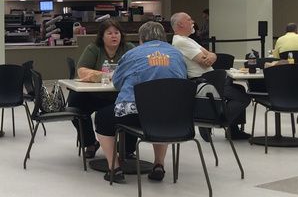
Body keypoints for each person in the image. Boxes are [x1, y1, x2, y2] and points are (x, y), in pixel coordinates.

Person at [93, 21, 187, 183]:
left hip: (136, 114)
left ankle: (114, 168)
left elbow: (117, 82)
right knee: (159, 118)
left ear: (141, 39)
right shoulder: (177, 54)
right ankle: (158, 164)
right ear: (164, 37)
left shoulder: (132, 54)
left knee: (102, 117)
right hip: (172, 115)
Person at [170, 12, 252, 140]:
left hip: (210, 78)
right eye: (189, 19)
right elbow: (204, 61)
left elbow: (212, 55)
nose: (193, 22)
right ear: (180, 24)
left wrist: (212, 56)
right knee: (243, 97)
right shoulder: (181, 42)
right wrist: (211, 56)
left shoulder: (188, 40)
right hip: (204, 81)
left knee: (239, 90)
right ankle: (215, 120)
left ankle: (233, 130)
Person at [67, 19, 135, 158]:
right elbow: (82, 71)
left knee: (133, 106)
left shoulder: (128, 48)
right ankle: (90, 143)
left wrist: (101, 75)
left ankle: (127, 149)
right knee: (75, 102)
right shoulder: (94, 48)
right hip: (96, 95)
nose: (114, 36)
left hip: (120, 96)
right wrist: (107, 75)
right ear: (102, 36)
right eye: (109, 33)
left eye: (116, 33)